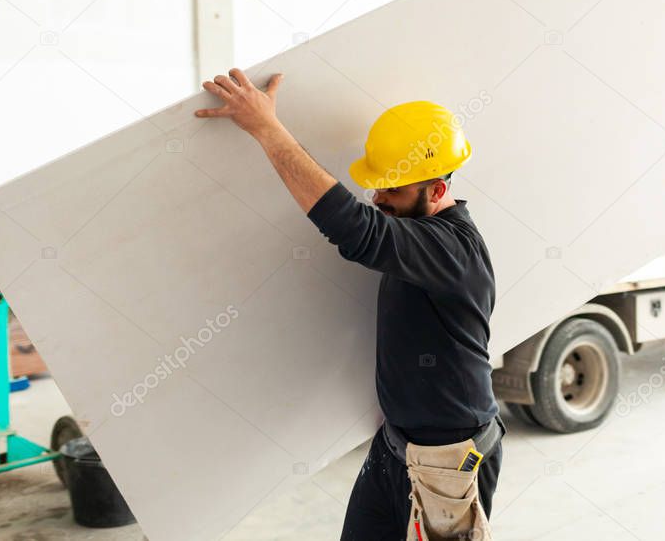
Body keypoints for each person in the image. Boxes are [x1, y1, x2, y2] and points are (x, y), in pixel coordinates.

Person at [196, 68, 503, 540]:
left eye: (393, 190)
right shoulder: (424, 237)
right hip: (396, 447)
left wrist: (266, 127)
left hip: (449, 464)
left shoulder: (450, 250)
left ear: (438, 190)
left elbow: (355, 229)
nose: (378, 198)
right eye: (377, 185)